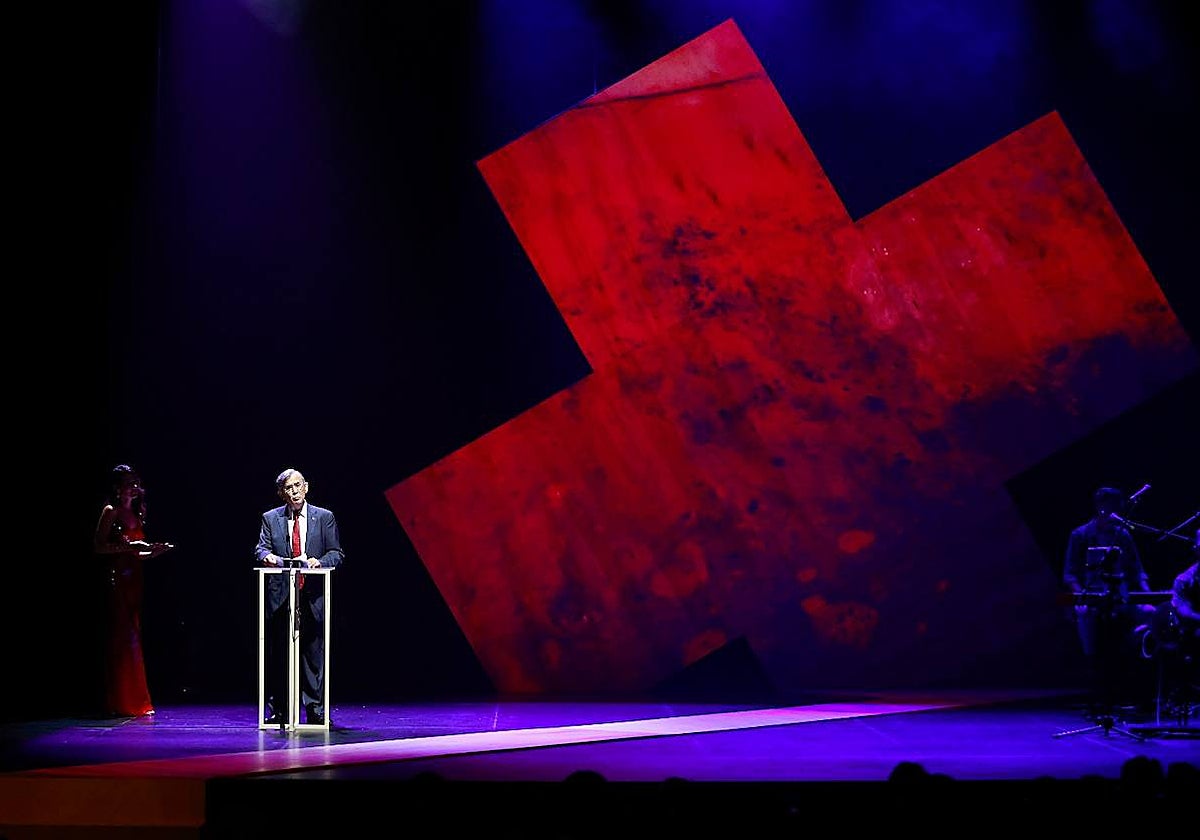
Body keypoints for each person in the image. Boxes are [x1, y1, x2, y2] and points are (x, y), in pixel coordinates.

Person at [254, 468, 344, 725]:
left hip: (312, 594)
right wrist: (268, 557)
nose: (294, 491)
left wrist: (319, 562)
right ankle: (281, 710)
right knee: (280, 655)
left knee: (313, 655)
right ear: (281, 493)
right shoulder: (270, 518)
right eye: (288, 488)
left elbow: (336, 553)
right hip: (282, 596)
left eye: (297, 486)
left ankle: (315, 710)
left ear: (306, 487)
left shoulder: (324, 517)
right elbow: (261, 549)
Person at [1062, 486, 1155, 709]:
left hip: (1121, 595)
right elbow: (1070, 573)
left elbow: (1138, 570)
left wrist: (1146, 595)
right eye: (1111, 505)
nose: (1116, 510)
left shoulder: (1123, 535)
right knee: (1086, 615)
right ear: (1100, 507)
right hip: (1092, 595)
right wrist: (1083, 595)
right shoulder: (1080, 535)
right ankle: (1096, 676)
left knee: (1150, 613)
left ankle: (1140, 681)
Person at [92, 464, 174, 717]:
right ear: (118, 488)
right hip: (115, 578)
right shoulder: (111, 511)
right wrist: (131, 548)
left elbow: (137, 554)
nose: (134, 487)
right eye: (129, 483)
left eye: (135, 482)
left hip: (133, 578)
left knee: (133, 638)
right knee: (120, 638)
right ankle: (118, 702)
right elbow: (99, 546)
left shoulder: (137, 512)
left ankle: (135, 701)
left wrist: (154, 551)